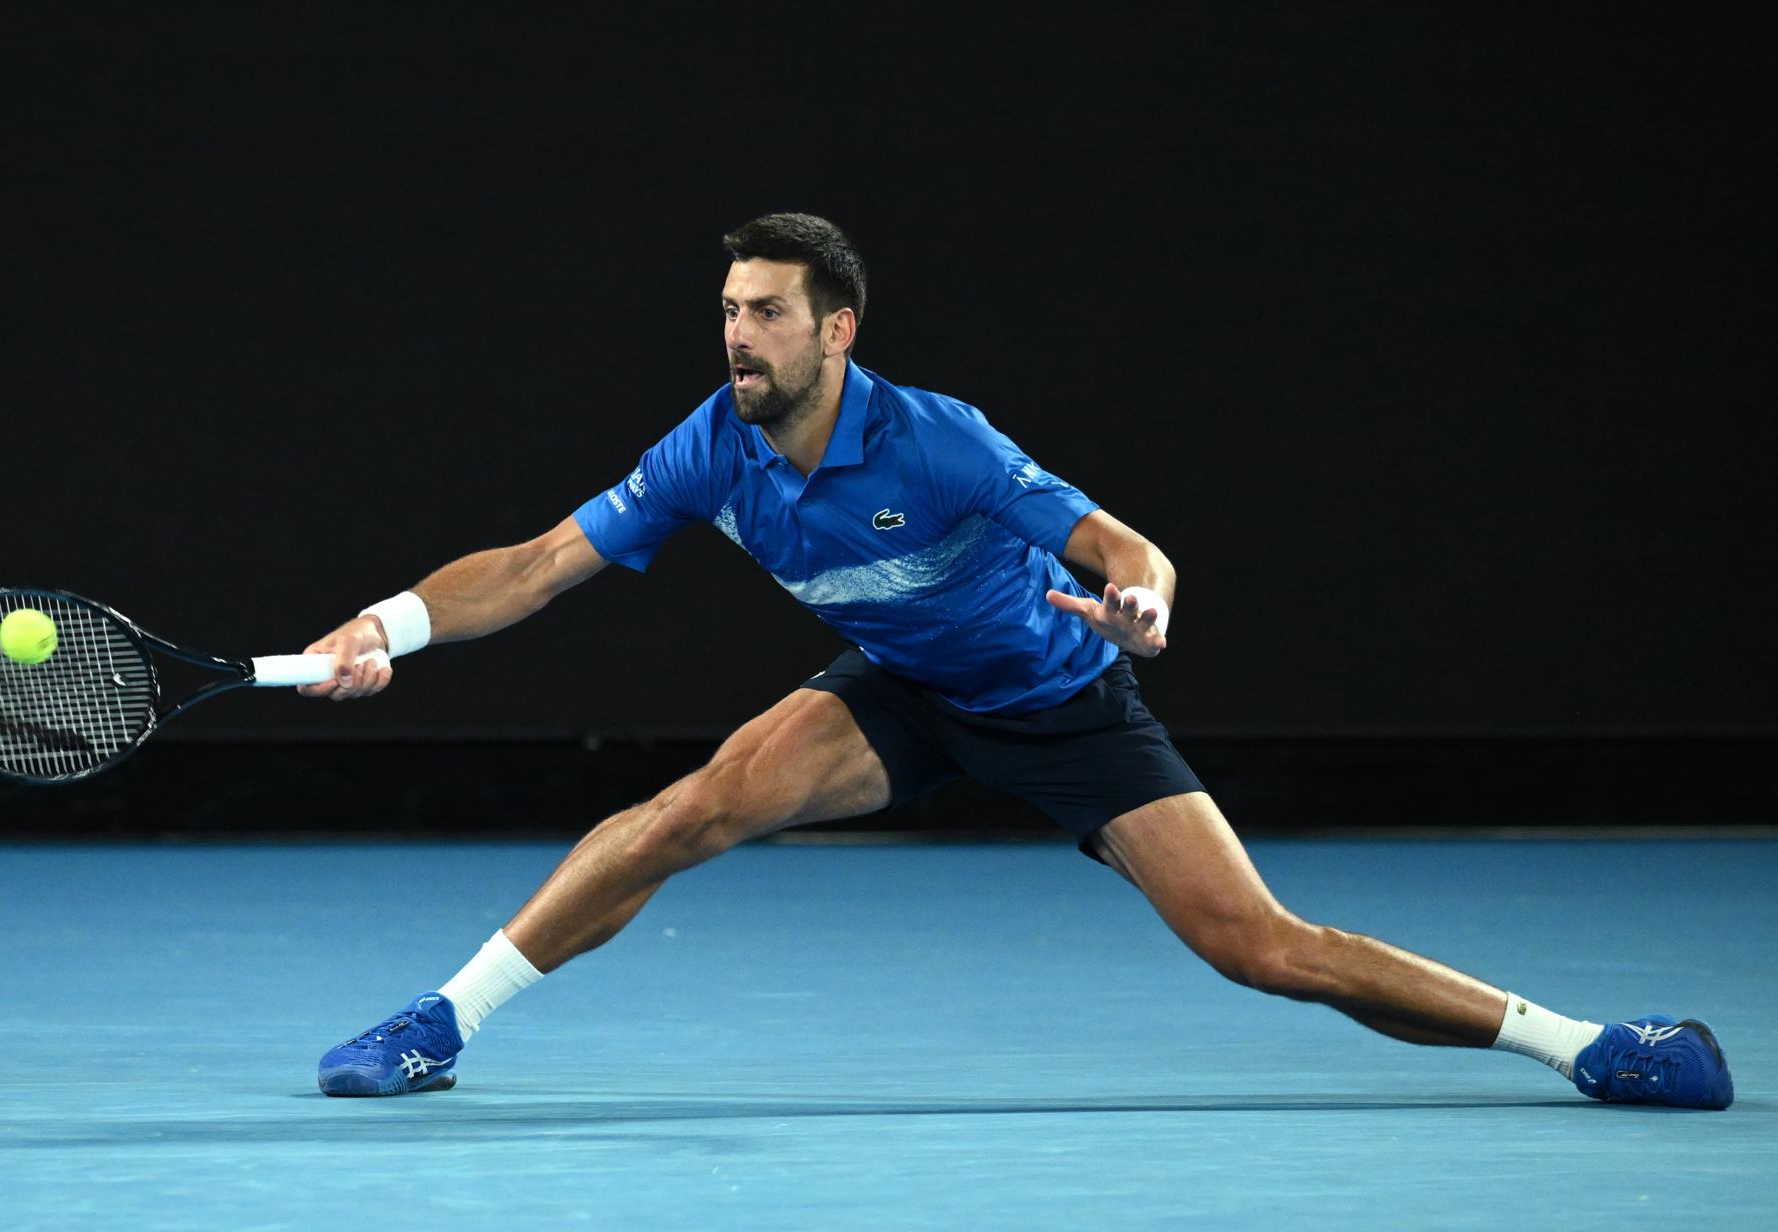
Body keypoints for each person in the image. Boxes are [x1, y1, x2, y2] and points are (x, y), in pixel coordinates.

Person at [299, 213, 1732, 1110]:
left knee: (1262, 950)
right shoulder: (709, 447)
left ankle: (1588, 1043)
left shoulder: (939, 438)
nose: (738, 334)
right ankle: (443, 1022)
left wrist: (1145, 609)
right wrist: (387, 625)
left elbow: (1127, 549)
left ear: (836, 329)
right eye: (729, 310)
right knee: (688, 811)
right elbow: (539, 565)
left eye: (767, 312)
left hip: (1061, 701)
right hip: (900, 692)